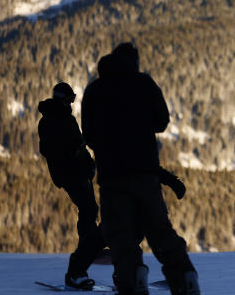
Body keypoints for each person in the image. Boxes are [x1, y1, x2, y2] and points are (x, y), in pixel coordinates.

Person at [82, 43, 200, 295]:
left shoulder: (95, 90)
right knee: (160, 229)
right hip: (146, 174)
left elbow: (88, 136)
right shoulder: (144, 83)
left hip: (112, 176)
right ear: (133, 61)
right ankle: (184, 274)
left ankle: (132, 278)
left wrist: (107, 145)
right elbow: (162, 122)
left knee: (121, 234)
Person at [38, 81, 107, 290]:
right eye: (70, 99)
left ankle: (88, 245)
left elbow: (79, 144)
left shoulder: (64, 118)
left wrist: (87, 163)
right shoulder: (52, 120)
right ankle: (87, 248)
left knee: (90, 209)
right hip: (70, 174)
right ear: (63, 98)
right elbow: (52, 149)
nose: (71, 103)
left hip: (76, 173)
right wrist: (76, 157)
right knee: (88, 209)